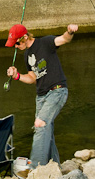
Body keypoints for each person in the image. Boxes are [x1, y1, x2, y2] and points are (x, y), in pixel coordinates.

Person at [6, 22, 78, 167]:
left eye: (16, 43)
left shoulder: (45, 43)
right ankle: (54, 167)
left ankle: (36, 169)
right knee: (46, 131)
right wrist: (17, 76)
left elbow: (63, 39)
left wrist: (70, 32)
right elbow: (33, 78)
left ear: (25, 37)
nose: (15, 47)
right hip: (41, 96)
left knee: (40, 124)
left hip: (57, 91)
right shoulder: (27, 54)